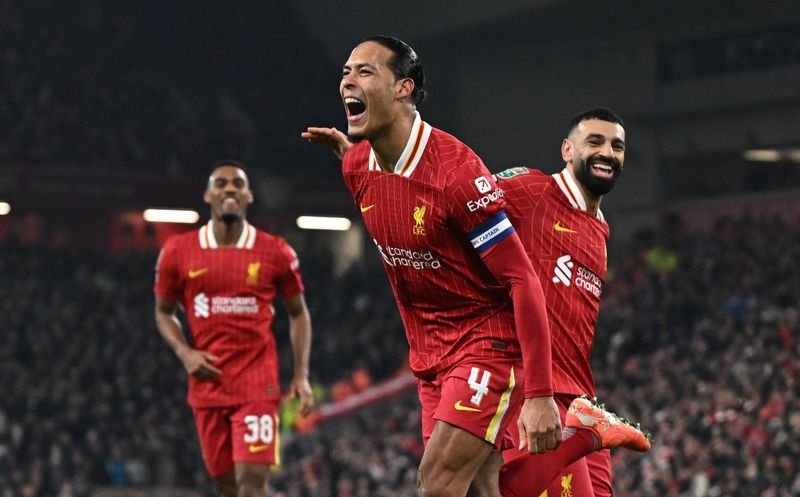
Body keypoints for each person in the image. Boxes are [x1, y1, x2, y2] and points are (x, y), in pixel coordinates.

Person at [302, 36, 644, 497]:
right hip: (433, 358)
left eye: (365, 71)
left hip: (490, 349)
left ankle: (581, 434)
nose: (348, 79)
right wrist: (349, 154)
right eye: (346, 71)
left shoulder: (460, 175)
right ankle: (583, 435)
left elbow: (519, 275)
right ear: (568, 149)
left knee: (437, 485)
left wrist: (539, 393)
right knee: (482, 490)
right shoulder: (360, 168)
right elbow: (388, 181)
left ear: (403, 88)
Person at [496, 108, 639, 497]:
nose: (607, 153)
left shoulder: (600, 229)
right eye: (595, 142)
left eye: (617, 147)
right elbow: (460, 201)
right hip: (533, 394)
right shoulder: (532, 190)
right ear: (567, 149)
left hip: (580, 402)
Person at [153, 161, 314, 497]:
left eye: (238, 184)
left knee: (251, 484)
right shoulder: (177, 252)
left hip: (257, 385)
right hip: (208, 388)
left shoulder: (275, 251)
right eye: (221, 183)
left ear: (249, 196)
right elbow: (163, 312)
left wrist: (301, 375)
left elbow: (298, 314)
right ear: (208, 195)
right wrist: (185, 352)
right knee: (226, 487)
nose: (230, 188)